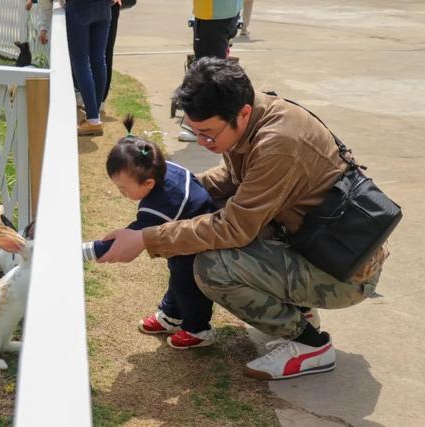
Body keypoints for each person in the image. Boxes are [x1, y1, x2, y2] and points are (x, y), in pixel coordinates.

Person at [98, 58, 389, 380]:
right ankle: (298, 308)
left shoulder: (278, 144)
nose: (204, 144)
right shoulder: (254, 111)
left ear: (243, 114)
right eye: (195, 133)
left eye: (209, 134)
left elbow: (234, 227)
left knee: (213, 268)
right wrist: (180, 193)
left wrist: (145, 238)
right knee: (205, 215)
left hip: (346, 275)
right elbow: (234, 178)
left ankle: (310, 344)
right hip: (318, 246)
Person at [83, 115, 219, 348]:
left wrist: (87, 251)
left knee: (187, 284)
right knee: (177, 277)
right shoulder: (166, 169)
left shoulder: (159, 206)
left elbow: (129, 238)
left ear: (148, 184)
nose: (121, 193)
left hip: (199, 242)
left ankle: (198, 329)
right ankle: (171, 315)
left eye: (123, 189)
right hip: (187, 235)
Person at [178, 0, 242, 142]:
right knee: (213, 70)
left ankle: (207, 129)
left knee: (209, 74)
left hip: (214, 13)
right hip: (223, 11)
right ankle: (212, 126)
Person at [65, 0, 121, 137]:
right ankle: (94, 116)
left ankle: (93, 119)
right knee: (99, 60)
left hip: (80, 8)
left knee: (81, 62)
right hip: (104, 7)